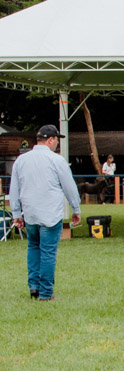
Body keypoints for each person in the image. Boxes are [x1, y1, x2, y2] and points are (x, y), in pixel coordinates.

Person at [9, 125, 82, 301]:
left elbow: (14, 188)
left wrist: (16, 213)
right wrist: (76, 209)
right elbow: (69, 187)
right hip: (50, 214)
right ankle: (46, 293)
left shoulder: (21, 160)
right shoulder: (57, 160)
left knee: (33, 247)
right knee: (48, 252)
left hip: (30, 214)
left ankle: (33, 287)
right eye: (57, 140)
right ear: (50, 139)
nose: (57, 144)